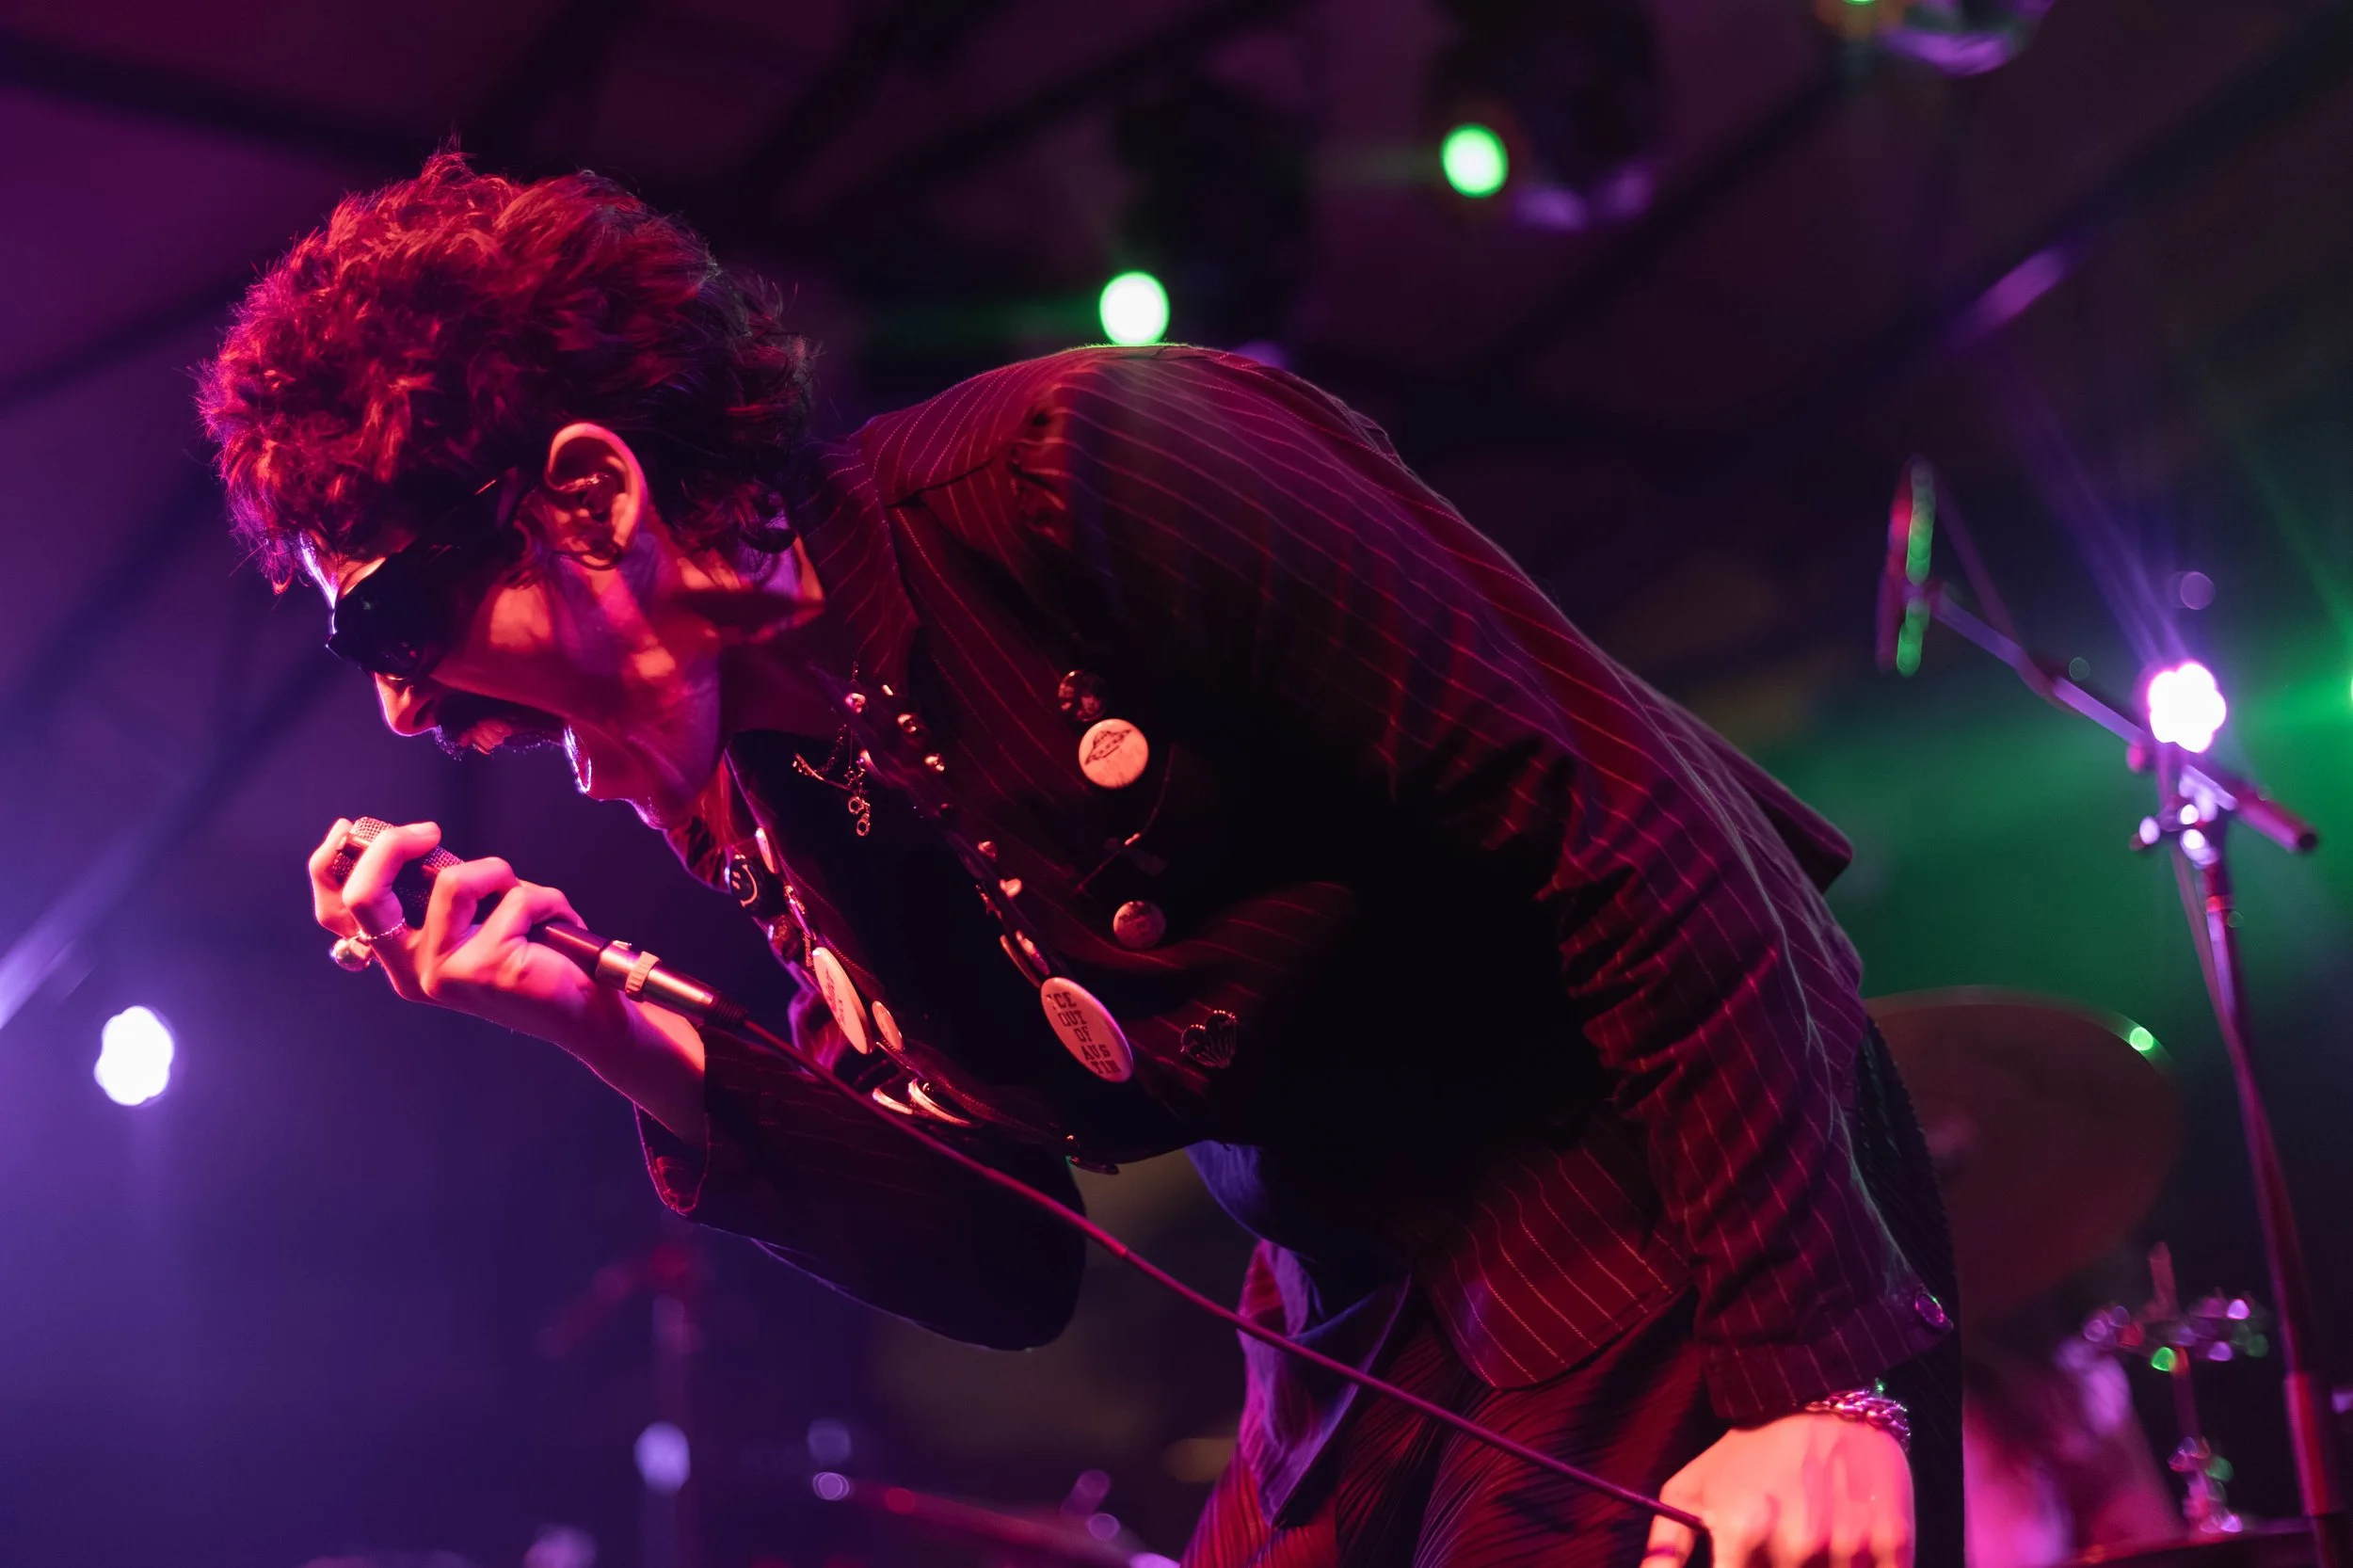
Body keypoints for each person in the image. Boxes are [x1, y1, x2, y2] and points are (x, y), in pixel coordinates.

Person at [200, 152, 1961, 1568]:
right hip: (1355, 1303)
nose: (404, 704)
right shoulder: (793, 795)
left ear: (593, 498)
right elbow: (1004, 1255)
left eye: (395, 617)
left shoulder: (1088, 471)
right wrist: (609, 1026)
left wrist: (1819, 1383)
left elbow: (1644, 834)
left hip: (1635, 1176)